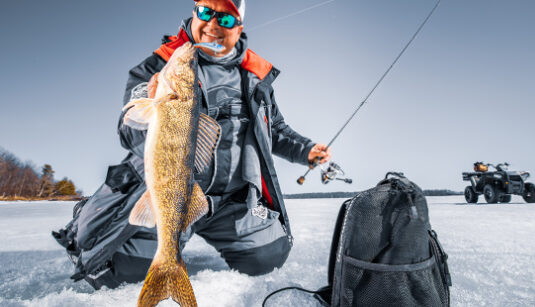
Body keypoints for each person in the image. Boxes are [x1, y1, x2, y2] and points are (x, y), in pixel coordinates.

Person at [52, 0, 331, 289]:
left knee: (268, 256)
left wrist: (306, 150)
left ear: (239, 27)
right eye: (206, 12)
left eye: (224, 19)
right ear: (194, 12)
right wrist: (150, 110)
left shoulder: (254, 77)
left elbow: (274, 129)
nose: (212, 25)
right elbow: (127, 128)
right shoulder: (156, 68)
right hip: (168, 192)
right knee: (123, 271)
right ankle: (93, 219)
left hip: (230, 201)